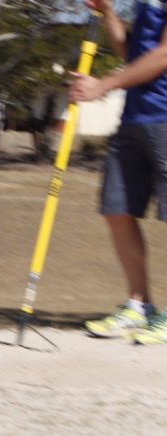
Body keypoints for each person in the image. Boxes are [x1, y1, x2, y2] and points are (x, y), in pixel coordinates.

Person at [68, 0, 167, 344]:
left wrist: (103, 85)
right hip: (135, 117)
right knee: (117, 208)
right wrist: (109, 13)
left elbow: (164, 55)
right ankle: (139, 305)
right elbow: (134, 54)